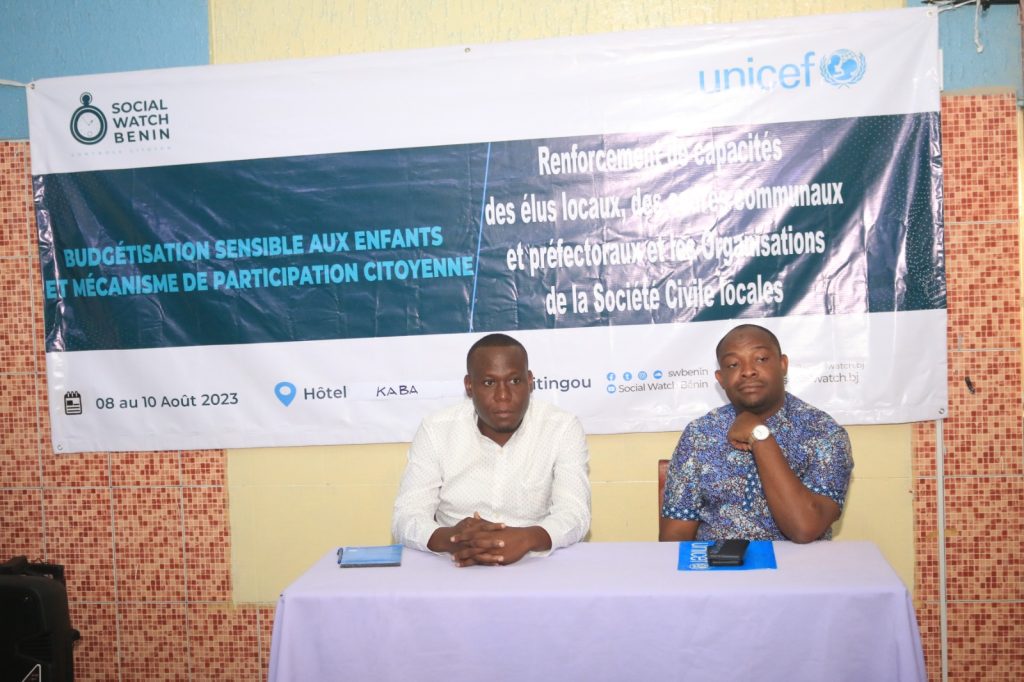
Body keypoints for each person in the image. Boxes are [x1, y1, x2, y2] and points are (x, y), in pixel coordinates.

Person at [392, 333, 590, 566]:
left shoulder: (561, 427)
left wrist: (526, 538)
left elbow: (574, 513)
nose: (503, 396)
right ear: (469, 386)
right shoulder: (436, 430)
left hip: (535, 564)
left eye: (514, 381)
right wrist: (453, 539)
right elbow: (406, 516)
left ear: (530, 381)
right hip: (454, 565)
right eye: (489, 383)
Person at [660, 324, 853, 543]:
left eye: (761, 359)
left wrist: (759, 435)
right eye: (733, 364)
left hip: (798, 564)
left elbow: (805, 528)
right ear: (721, 379)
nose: (748, 371)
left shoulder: (824, 434)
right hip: (717, 563)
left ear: (783, 365)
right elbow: (675, 536)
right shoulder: (699, 434)